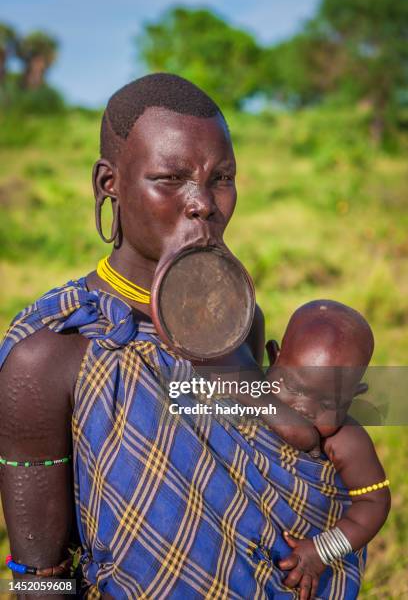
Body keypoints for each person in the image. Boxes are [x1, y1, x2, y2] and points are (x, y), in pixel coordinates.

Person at [0, 74, 364, 600]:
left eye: (222, 178)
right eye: (170, 178)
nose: (204, 204)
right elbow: (40, 577)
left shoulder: (240, 321)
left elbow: (265, 470)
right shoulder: (51, 354)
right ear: (109, 183)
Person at [260, 300, 391, 596]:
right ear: (273, 357)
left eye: (328, 403)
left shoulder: (346, 439)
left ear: (352, 398)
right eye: (293, 388)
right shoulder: (250, 393)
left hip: (305, 564)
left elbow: (375, 503)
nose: (304, 409)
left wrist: (321, 552)